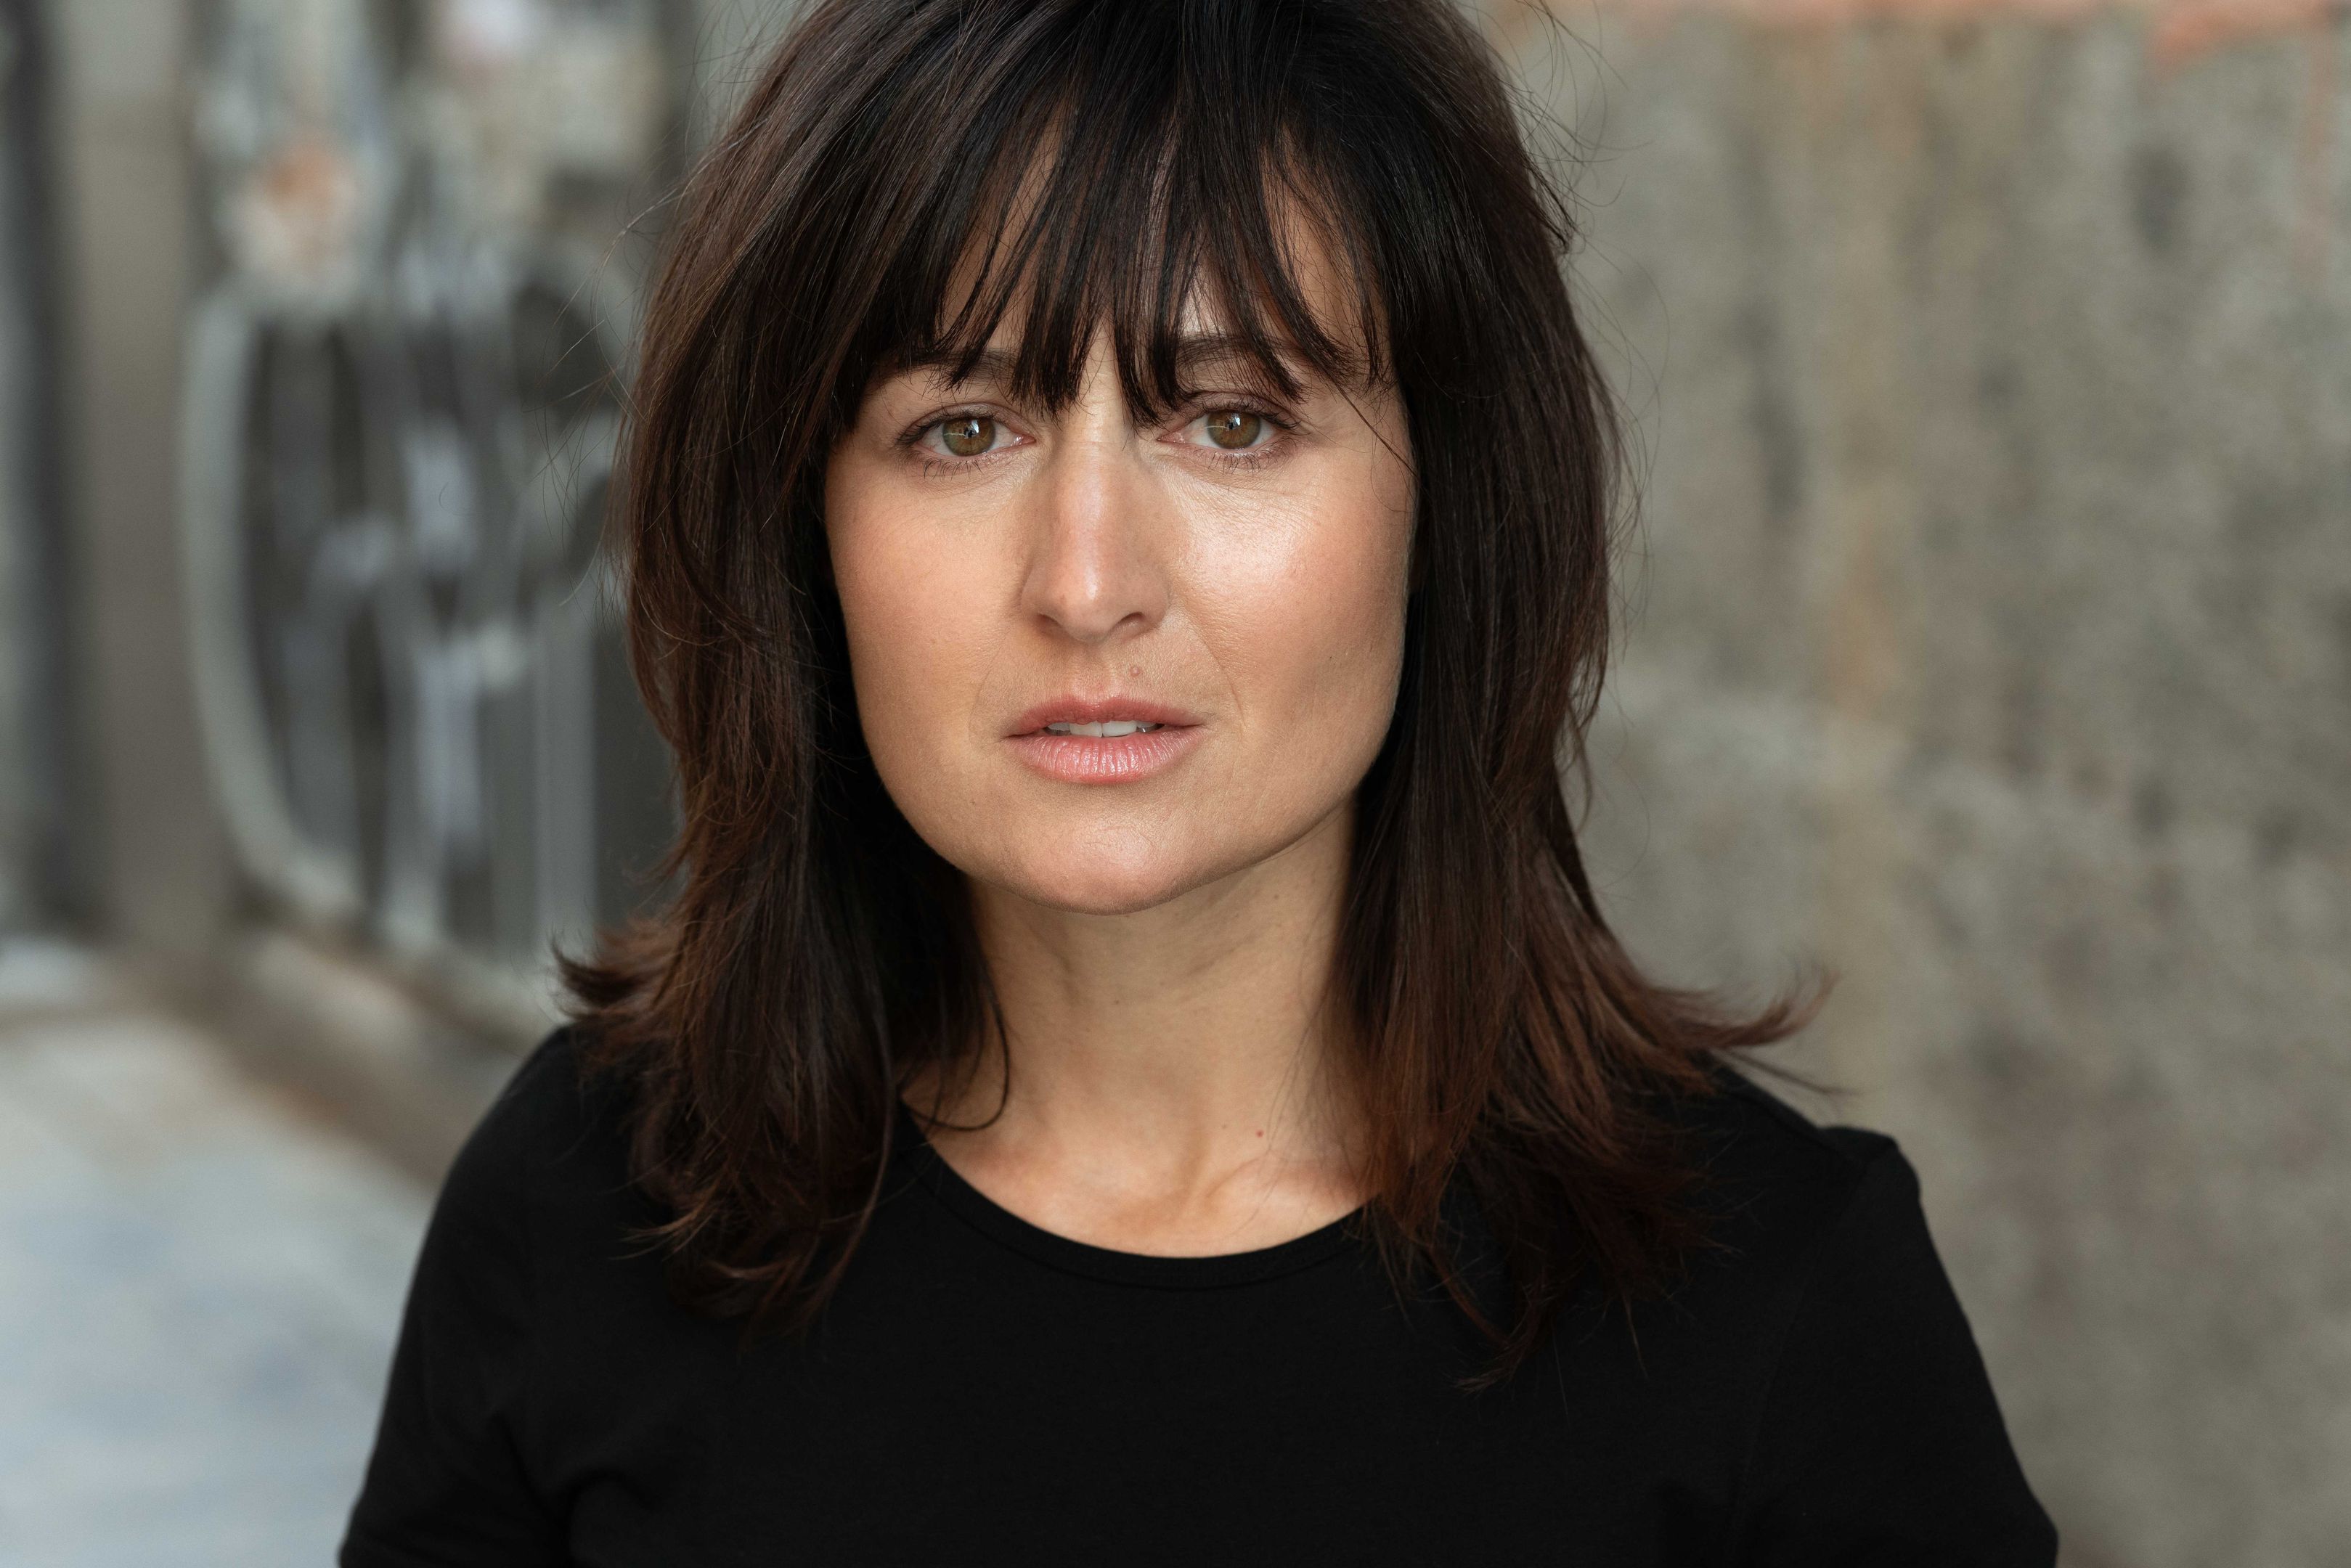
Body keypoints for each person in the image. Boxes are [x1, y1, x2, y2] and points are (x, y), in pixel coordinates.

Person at [342, 0, 2057, 1561]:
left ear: (1445, 504)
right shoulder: (585, 1207)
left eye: (1230, 419)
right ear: (803, 532)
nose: (1086, 582)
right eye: (961, 428)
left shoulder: (1775, 1312)